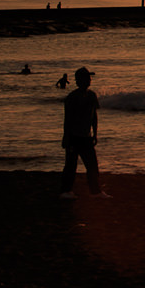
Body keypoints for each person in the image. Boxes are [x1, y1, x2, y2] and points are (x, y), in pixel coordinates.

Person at [59, 67, 110, 199]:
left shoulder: (92, 95)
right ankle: (66, 191)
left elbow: (94, 116)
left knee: (92, 165)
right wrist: (66, 137)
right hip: (74, 136)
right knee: (71, 165)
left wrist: (95, 134)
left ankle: (95, 191)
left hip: (86, 137)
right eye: (86, 78)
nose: (89, 80)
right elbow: (68, 119)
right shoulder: (72, 98)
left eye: (89, 78)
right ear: (78, 81)